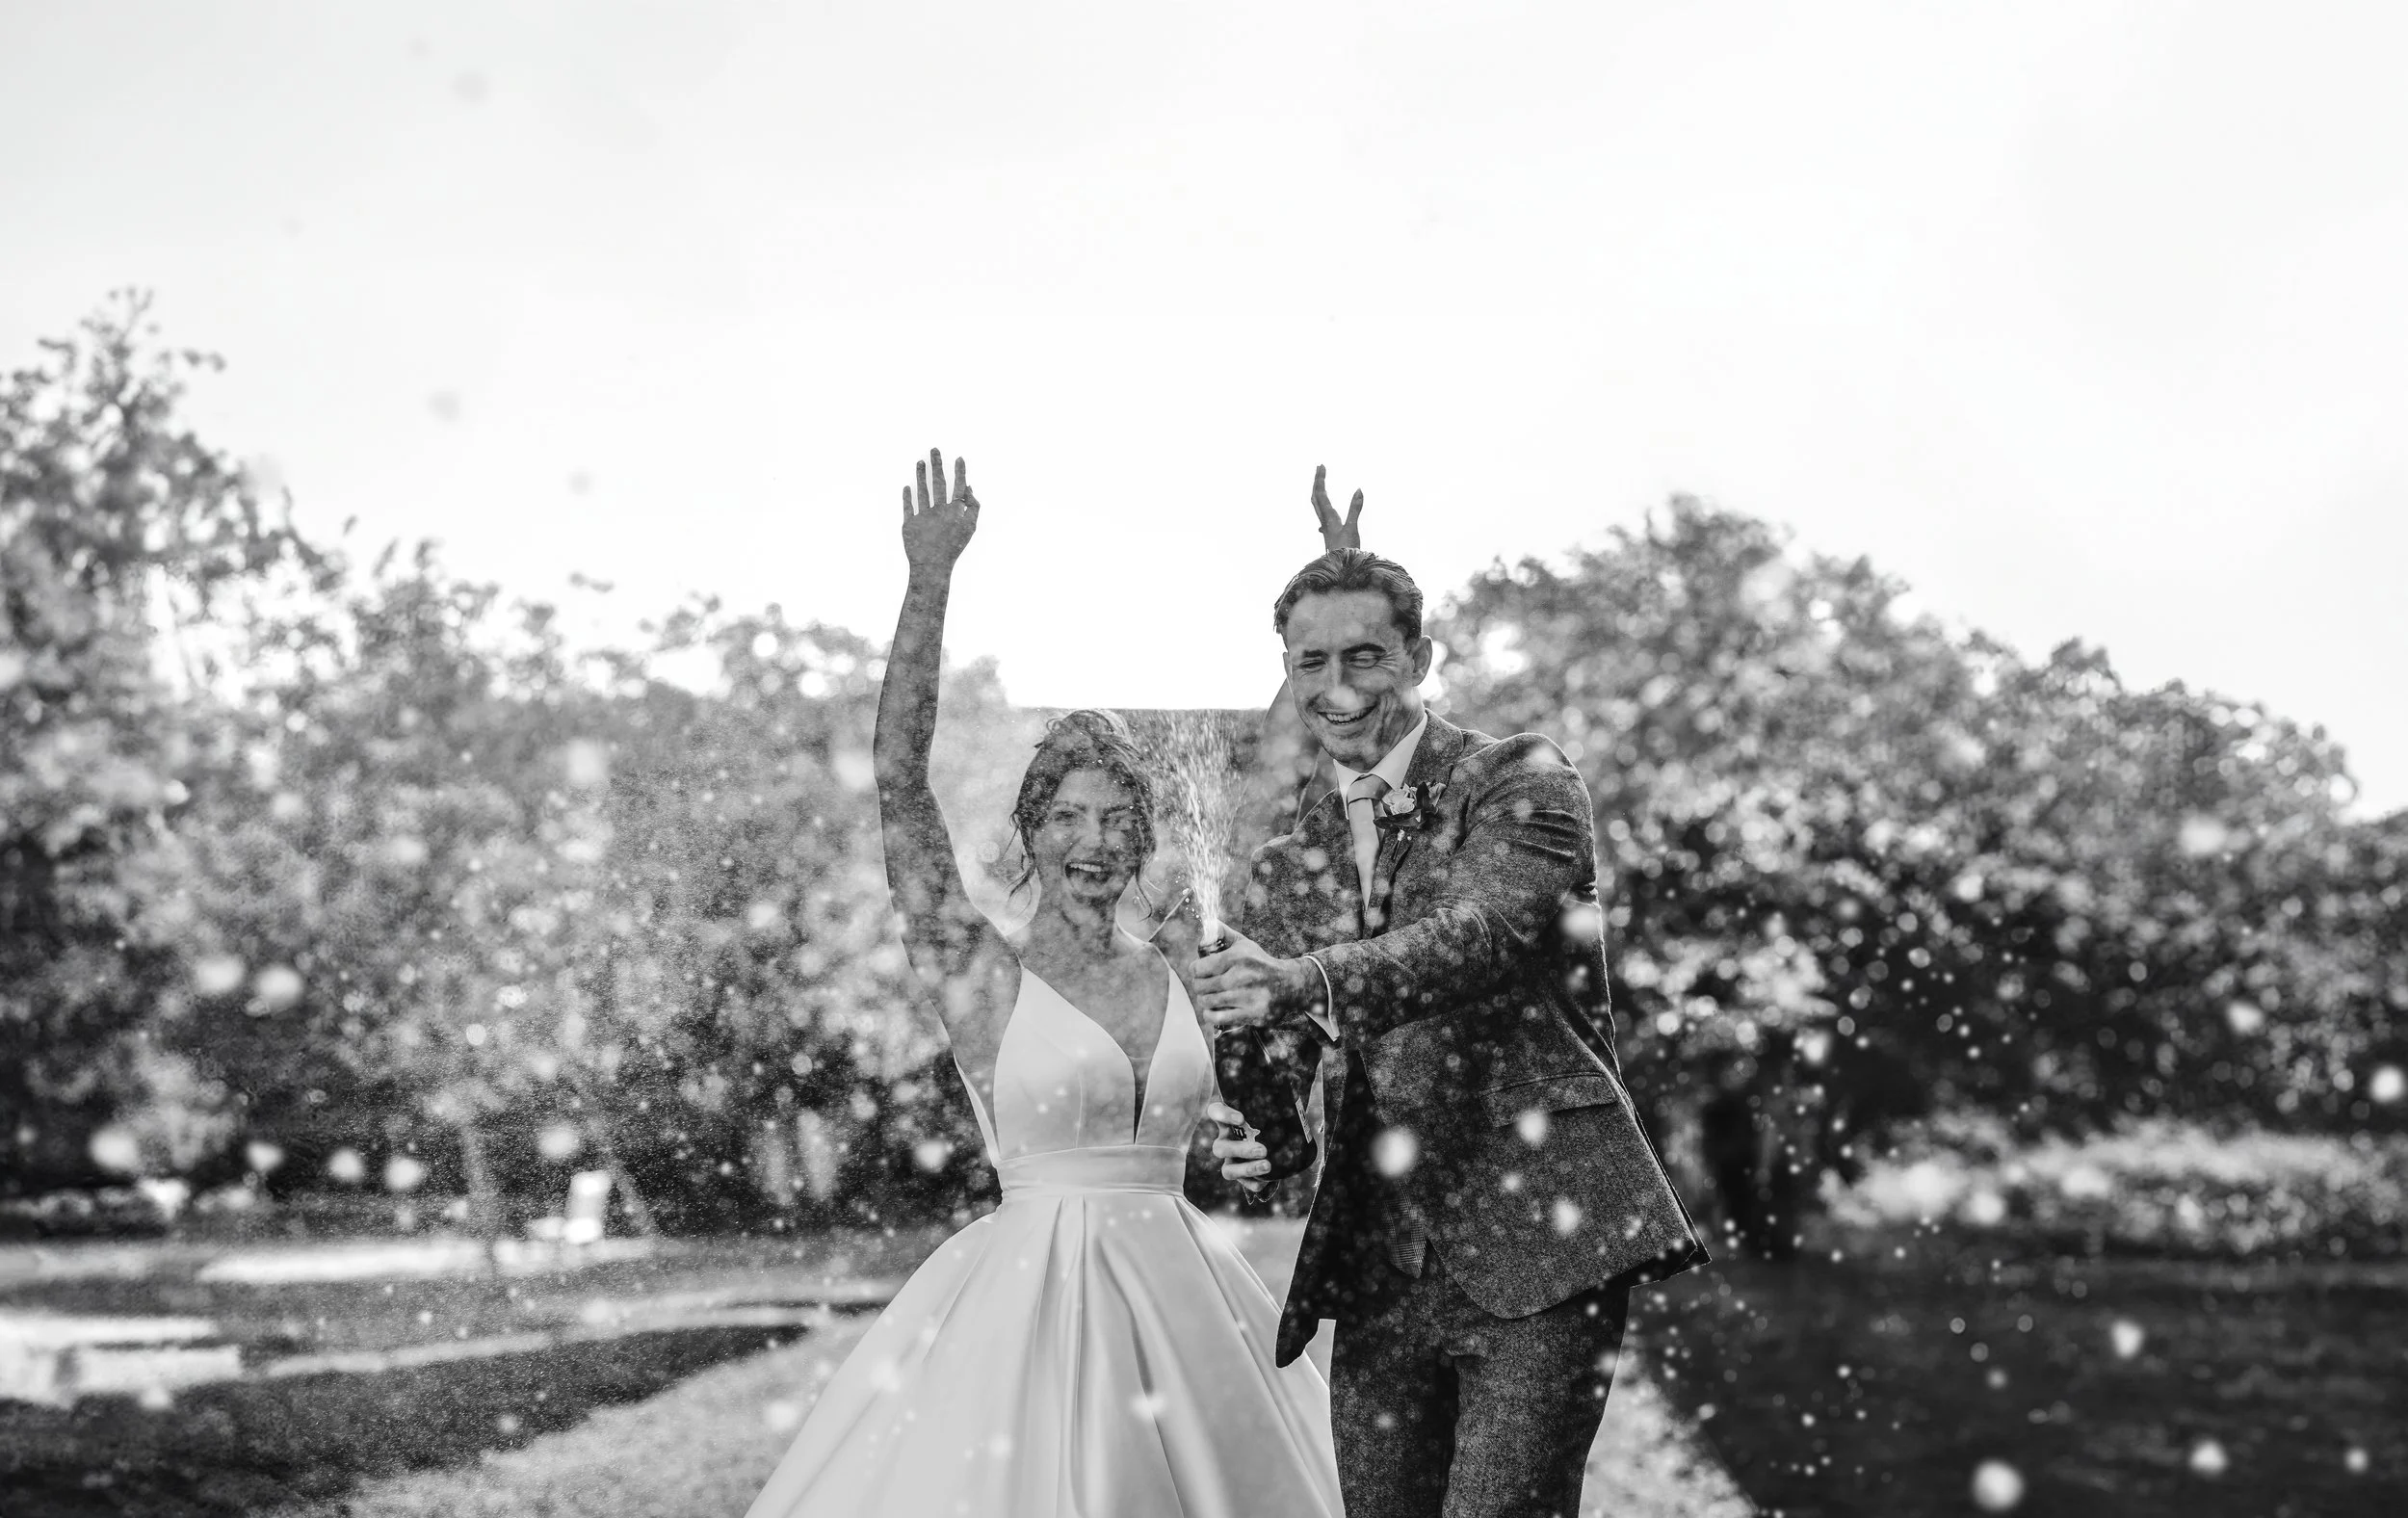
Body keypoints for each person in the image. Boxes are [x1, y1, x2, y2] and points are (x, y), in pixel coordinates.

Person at [744, 452, 1343, 1518]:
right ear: (1030, 830)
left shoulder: (1176, 954)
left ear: (1143, 838)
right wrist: (928, 580)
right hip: (1020, 1310)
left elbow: (1269, 779)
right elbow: (896, 775)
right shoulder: (977, 972)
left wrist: (1332, 609)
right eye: (1067, 815)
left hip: (1186, 1301)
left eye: (1117, 819)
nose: (1095, 841)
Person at [1197, 472, 1712, 1518]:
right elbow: (1281, 1034)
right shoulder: (1297, 834)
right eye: (1312, 662)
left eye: (1365, 656)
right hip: (1380, 1259)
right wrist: (1263, 1129)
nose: (1338, 685)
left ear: (1421, 659)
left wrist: (1301, 981)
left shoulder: (1519, 778)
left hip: (1540, 1238)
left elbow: (1478, 937)